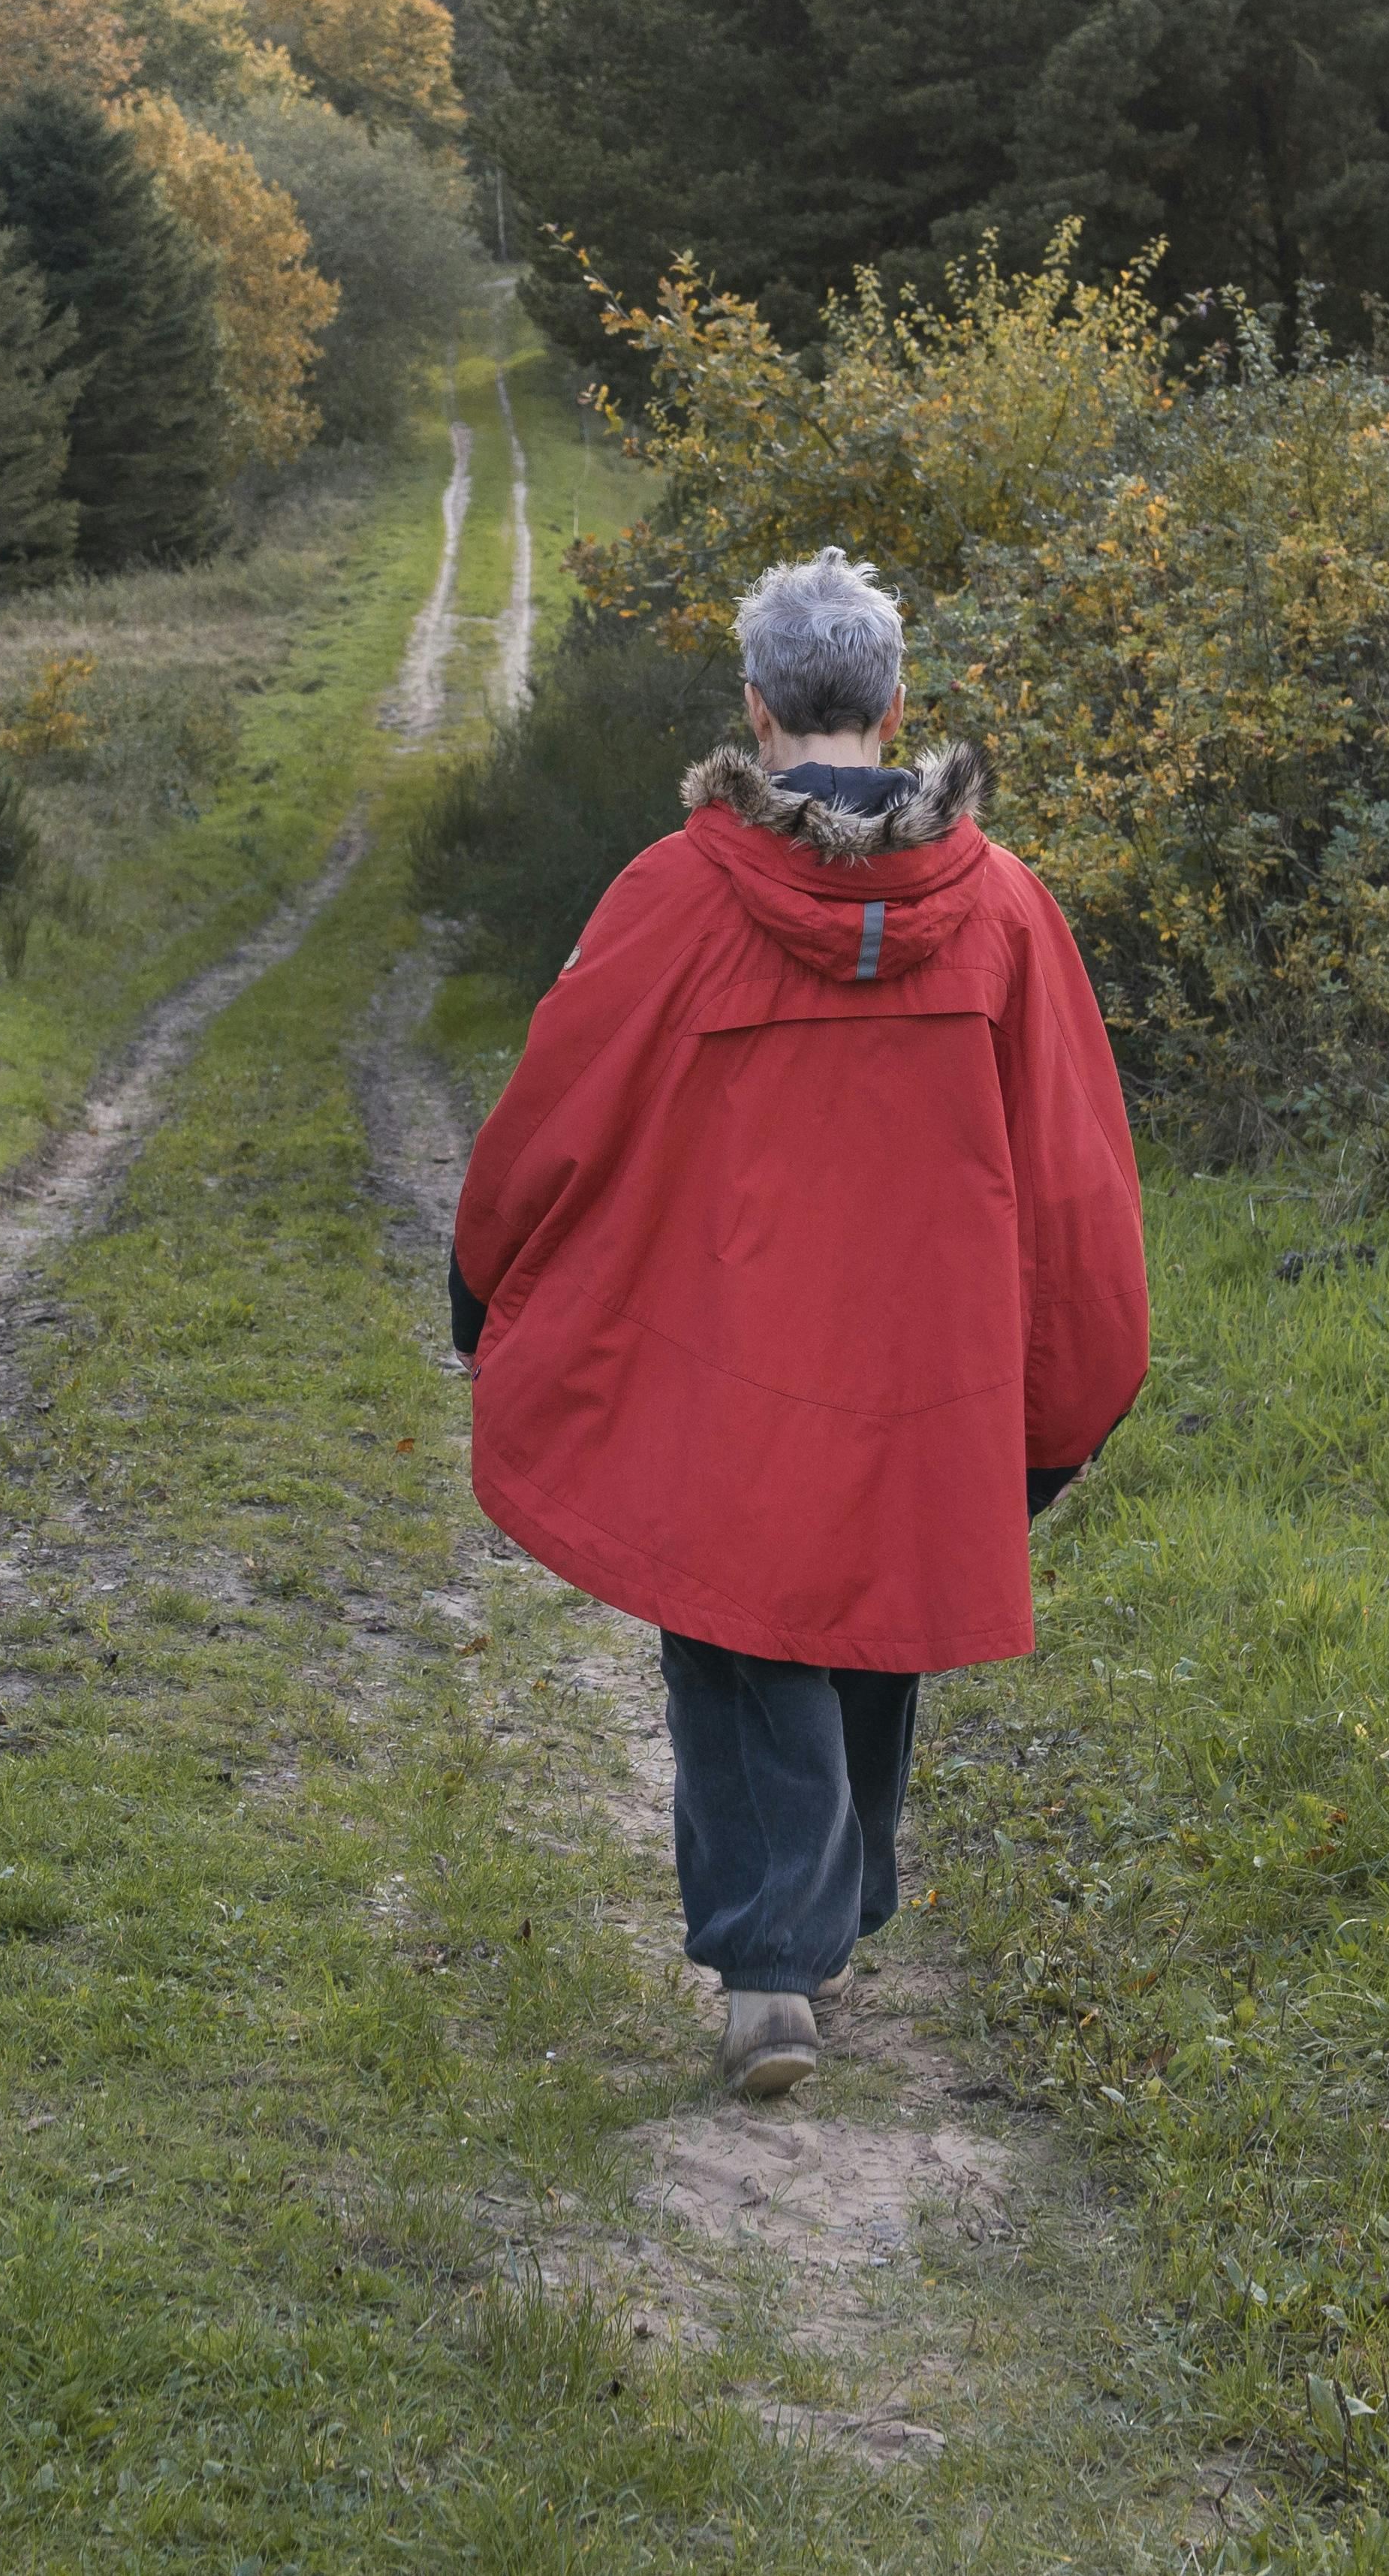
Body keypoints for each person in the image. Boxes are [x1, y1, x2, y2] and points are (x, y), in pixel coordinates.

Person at [447, 550, 1150, 2102]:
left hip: (726, 1349)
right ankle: (810, 1935)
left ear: (754, 708)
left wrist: (482, 1272)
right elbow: (1077, 1171)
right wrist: (1070, 1391)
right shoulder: (1004, 911)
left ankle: (776, 1958)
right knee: (867, 1618)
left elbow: (556, 1106)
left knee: (733, 1625)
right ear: (895, 704)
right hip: (926, 1369)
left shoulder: (673, 894)